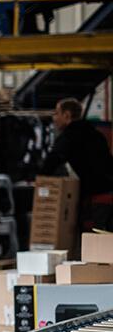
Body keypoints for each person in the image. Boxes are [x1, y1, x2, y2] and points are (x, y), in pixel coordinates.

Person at [41, 97, 113, 232]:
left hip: (96, 196)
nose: (54, 118)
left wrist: (38, 179)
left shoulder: (69, 137)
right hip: (109, 190)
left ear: (67, 115)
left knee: (93, 240)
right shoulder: (96, 134)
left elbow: (52, 161)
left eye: (57, 113)